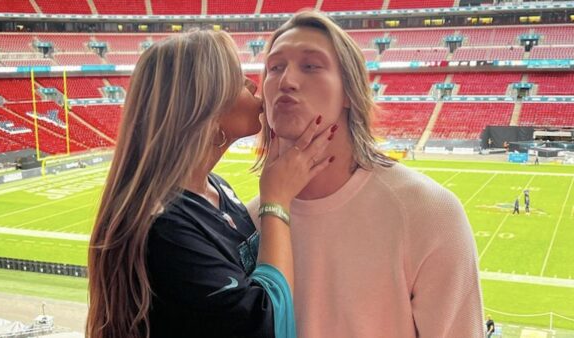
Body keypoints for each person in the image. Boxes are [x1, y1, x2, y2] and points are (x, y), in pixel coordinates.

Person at [86, 30, 335, 338]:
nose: (252, 85)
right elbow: (267, 325)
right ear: (206, 107)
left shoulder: (217, 189)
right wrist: (276, 200)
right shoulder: (164, 229)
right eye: (236, 77)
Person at [250, 11, 484, 338]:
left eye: (311, 66)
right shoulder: (251, 218)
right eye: (275, 67)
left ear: (349, 90)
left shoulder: (429, 213)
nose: (286, 80)